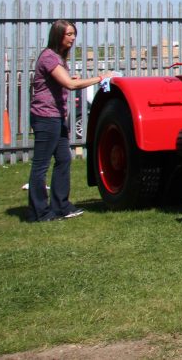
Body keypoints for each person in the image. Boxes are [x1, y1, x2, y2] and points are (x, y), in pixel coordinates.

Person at [26, 20, 115, 222]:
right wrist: (100, 78)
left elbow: (64, 81)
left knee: (64, 159)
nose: (73, 38)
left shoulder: (58, 58)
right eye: (69, 34)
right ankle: (38, 212)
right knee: (41, 165)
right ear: (58, 35)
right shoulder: (49, 57)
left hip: (56, 117)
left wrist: (70, 78)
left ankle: (61, 206)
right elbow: (68, 84)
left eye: (74, 34)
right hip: (45, 116)